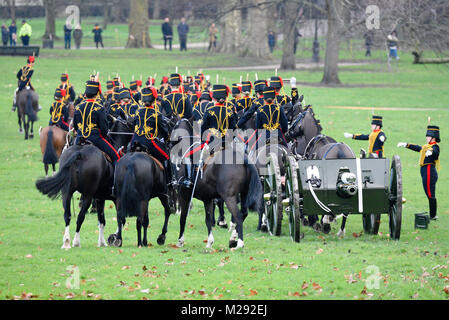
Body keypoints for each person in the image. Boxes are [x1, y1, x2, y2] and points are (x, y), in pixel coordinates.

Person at [128, 87, 175, 189]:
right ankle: (169, 182)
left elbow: (133, 125)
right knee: (166, 157)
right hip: (149, 142)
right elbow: (164, 131)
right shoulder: (156, 114)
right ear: (154, 99)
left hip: (134, 141)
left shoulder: (137, 112)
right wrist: (167, 139)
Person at [397, 125, 440, 220]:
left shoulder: (434, 146)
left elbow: (436, 153)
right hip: (425, 171)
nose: (426, 138)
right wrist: (407, 145)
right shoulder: (426, 146)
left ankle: (433, 215)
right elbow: (418, 148)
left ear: (433, 137)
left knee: (430, 193)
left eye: (428, 136)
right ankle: (433, 214)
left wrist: (431, 152)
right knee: (428, 193)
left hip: (429, 171)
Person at [73, 79, 120, 166]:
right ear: (96, 94)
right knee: (116, 156)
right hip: (95, 139)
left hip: (79, 139)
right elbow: (104, 128)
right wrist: (104, 135)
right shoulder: (99, 108)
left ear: (86, 93)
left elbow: (75, 126)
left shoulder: (78, 107)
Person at [254, 86, 289, 151]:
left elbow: (258, 127)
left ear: (264, 99)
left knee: (253, 152)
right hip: (278, 135)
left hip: (265, 135)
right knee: (288, 152)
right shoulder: (279, 108)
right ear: (274, 98)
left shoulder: (260, 110)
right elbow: (284, 123)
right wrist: (283, 132)